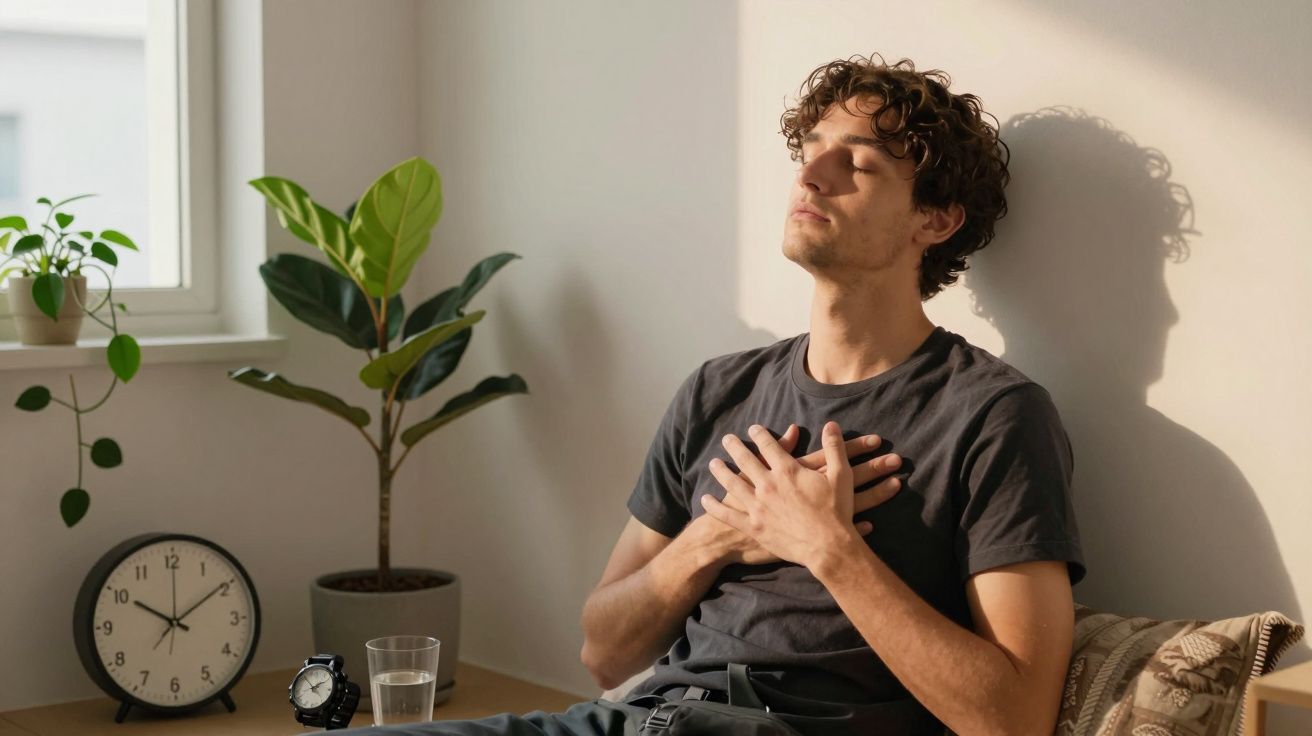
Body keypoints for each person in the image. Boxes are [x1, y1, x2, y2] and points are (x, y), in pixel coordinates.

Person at [339, 52, 1085, 736]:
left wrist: (825, 546)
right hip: (642, 719)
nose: (811, 174)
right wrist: (720, 534)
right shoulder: (720, 389)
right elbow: (602, 651)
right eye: (809, 150)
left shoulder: (992, 414)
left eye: (857, 162)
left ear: (937, 219)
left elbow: (1013, 720)